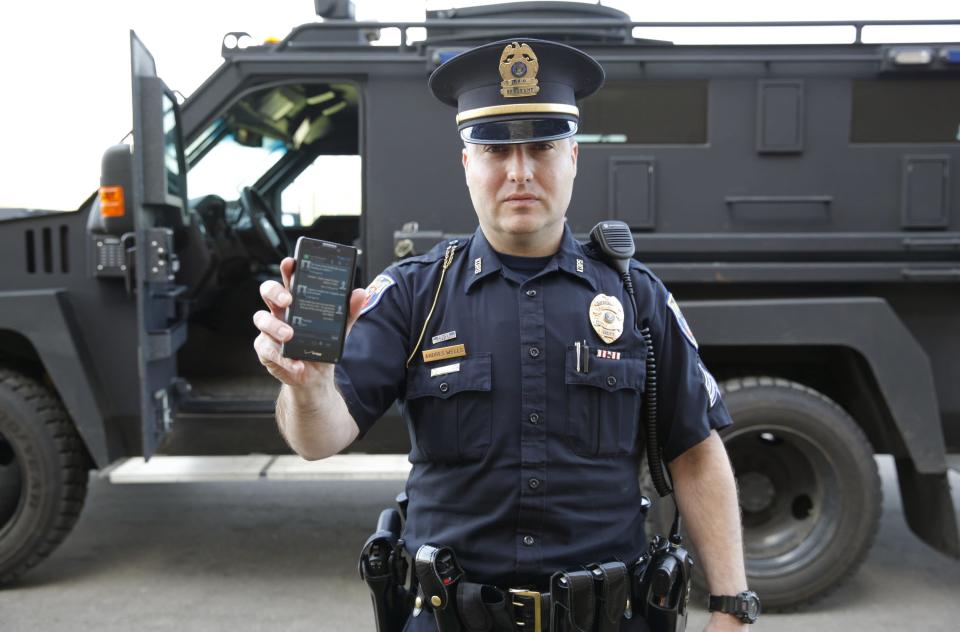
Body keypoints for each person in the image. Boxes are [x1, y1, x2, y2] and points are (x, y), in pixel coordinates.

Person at [253, 38, 757, 632]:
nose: (519, 170)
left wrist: (732, 608)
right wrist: (309, 387)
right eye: (495, 148)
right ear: (468, 164)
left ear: (573, 157)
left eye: (542, 145)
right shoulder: (414, 294)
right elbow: (318, 438)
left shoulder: (636, 297)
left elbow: (696, 452)